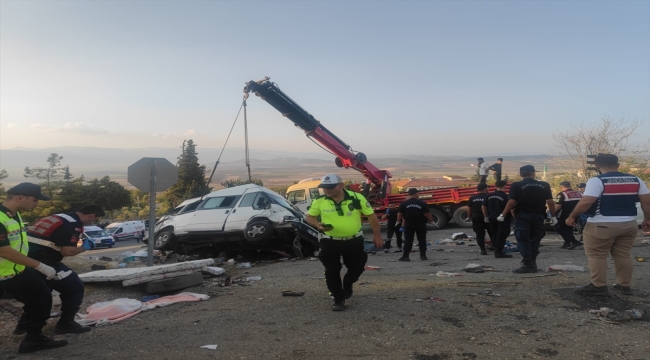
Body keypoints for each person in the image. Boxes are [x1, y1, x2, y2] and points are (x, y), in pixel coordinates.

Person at [566, 154, 650, 296]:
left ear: (598, 167)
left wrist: (572, 216)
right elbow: (646, 201)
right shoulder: (636, 179)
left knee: (597, 255)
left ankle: (598, 286)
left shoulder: (597, 181)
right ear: (618, 165)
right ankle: (624, 285)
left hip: (601, 224)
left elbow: (587, 201)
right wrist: (647, 218)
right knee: (623, 255)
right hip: (629, 223)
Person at [15, 204, 106, 336]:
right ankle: (66, 324)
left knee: (41, 291)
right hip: (43, 260)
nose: (92, 222)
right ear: (91, 215)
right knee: (74, 286)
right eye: (94, 219)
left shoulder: (57, 217)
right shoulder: (73, 224)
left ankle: (24, 325)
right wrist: (86, 247)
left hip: (26, 258)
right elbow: (68, 251)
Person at [0, 183, 68, 353]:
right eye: (35, 200)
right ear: (20, 198)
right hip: (4, 274)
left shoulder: (13, 216)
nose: (37, 204)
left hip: (16, 270)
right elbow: (4, 251)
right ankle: (32, 337)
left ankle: (32, 337)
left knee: (41, 298)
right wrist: (39, 265)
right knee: (40, 298)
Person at [305, 174, 383, 311]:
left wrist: (377, 236)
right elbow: (310, 217)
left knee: (357, 266)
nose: (327, 190)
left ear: (341, 185)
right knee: (332, 270)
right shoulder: (319, 200)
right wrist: (317, 225)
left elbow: (371, 216)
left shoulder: (356, 198)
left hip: (354, 240)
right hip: (329, 241)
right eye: (324, 188)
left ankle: (348, 283)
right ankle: (338, 298)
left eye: (330, 187)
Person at [498, 165, 554, 273]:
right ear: (533, 173)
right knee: (535, 239)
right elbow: (550, 202)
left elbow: (512, 201)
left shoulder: (517, 185)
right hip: (539, 216)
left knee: (523, 239)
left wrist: (503, 214)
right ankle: (532, 262)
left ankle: (528, 264)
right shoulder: (544, 185)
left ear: (521, 174)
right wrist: (554, 216)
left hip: (523, 216)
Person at [397, 188, 434, 262]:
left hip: (409, 224)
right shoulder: (422, 203)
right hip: (421, 224)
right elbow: (427, 214)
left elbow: (400, 214)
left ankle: (406, 256)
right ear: (415, 194)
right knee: (422, 240)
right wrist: (432, 221)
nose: (419, 194)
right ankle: (423, 256)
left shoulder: (403, 203)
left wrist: (398, 221)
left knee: (408, 240)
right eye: (418, 193)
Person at [482, 180, 513, 258]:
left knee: (495, 234)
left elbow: (483, 206)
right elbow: (511, 208)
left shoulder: (489, 196)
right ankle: (498, 252)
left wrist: (486, 216)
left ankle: (496, 248)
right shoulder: (506, 196)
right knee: (502, 234)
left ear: (495, 186)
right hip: (503, 218)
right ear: (505, 186)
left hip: (491, 217)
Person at [554, 181, 583, 250]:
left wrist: (551, 213)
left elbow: (558, 206)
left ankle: (573, 241)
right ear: (570, 186)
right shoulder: (579, 193)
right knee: (568, 229)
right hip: (576, 214)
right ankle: (567, 243)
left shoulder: (562, 194)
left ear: (561, 187)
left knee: (558, 227)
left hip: (564, 214)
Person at [468, 183, 491, 255]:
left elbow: (469, 208)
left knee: (479, 234)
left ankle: (482, 250)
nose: (488, 189)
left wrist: (469, 216)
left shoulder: (472, 197)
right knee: (492, 232)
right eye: (487, 188)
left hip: (476, 217)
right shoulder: (488, 197)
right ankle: (496, 248)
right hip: (487, 217)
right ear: (484, 189)